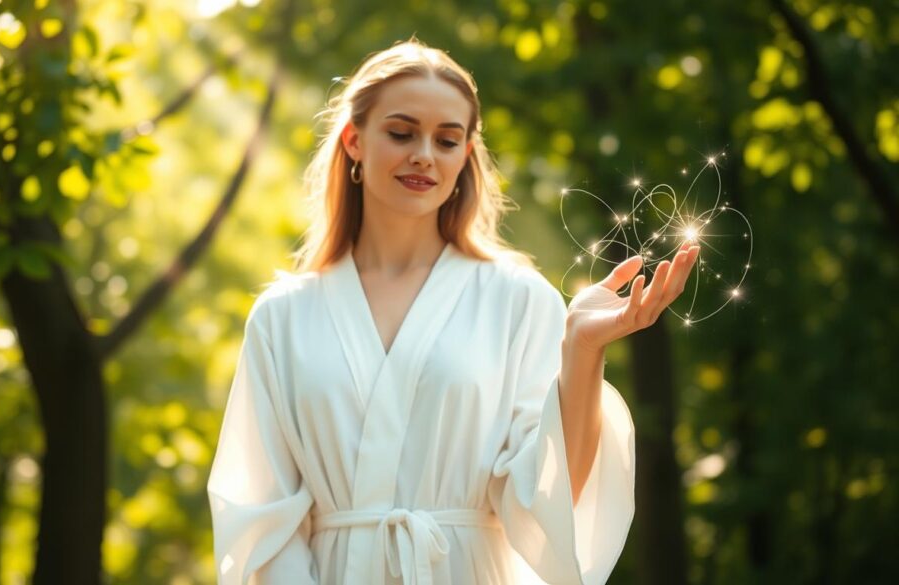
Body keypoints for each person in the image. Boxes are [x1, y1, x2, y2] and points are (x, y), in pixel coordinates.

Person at [207, 38, 700, 585]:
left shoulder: (516, 299)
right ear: (353, 140)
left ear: (466, 155)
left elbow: (549, 495)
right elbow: (259, 517)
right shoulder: (283, 317)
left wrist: (582, 351)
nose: (423, 154)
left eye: (447, 140)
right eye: (401, 132)